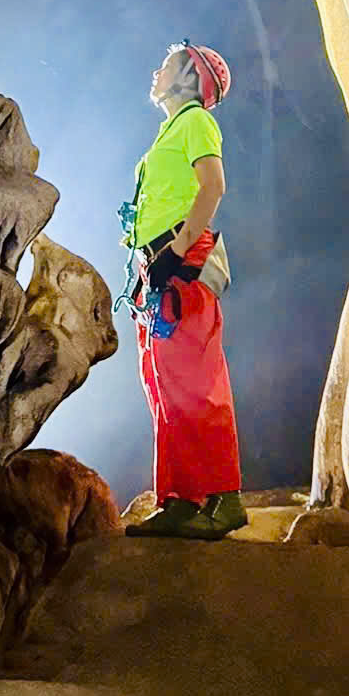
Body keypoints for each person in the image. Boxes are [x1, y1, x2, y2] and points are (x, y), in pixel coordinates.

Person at [121, 40, 247, 540]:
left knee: (195, 381)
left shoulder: (196, 121)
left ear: (190, 79)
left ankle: (224, 498)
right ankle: (179, 498)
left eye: (166, 65)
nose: (156, 72)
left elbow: (212, 185)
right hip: (158, 268)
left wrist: (177, 249)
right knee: (164, 383)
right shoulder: (171, 129)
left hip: (182, 267)